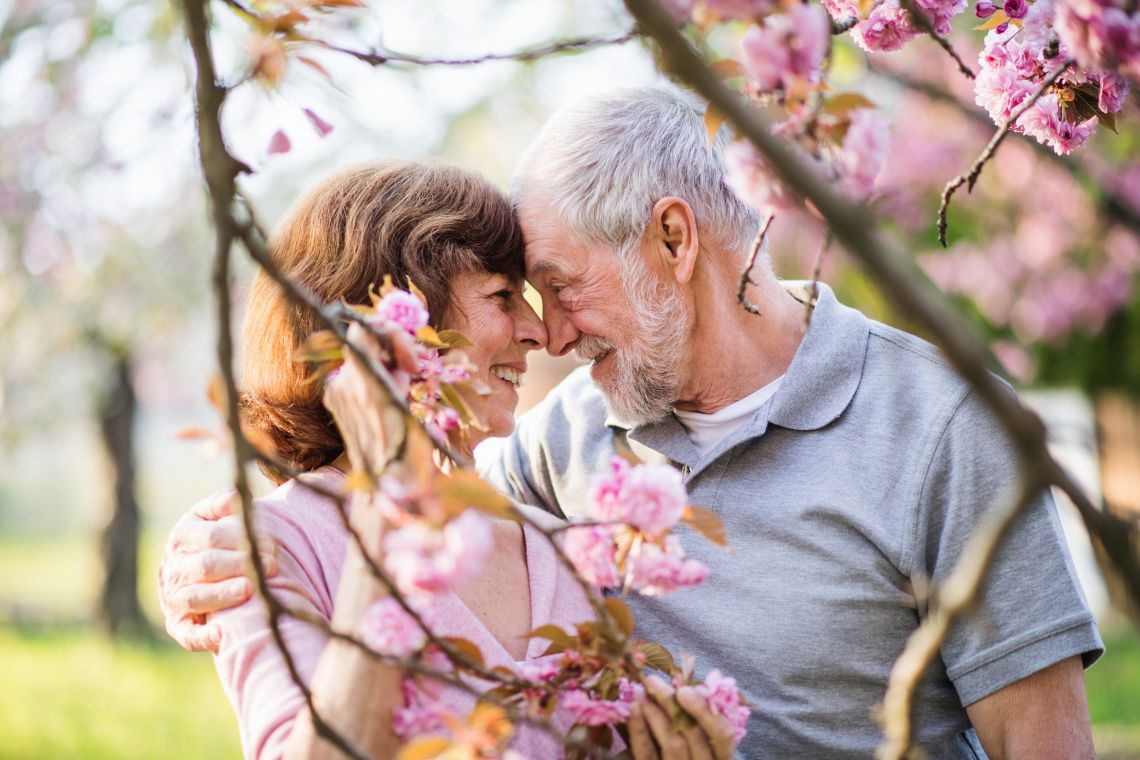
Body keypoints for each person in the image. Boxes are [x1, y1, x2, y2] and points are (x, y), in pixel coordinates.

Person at [160, 88, 1103, 760]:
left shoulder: (940, 423)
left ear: (674, 238)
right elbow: (373, 509)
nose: (553, 335)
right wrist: (204, 560)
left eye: (563, 288)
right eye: (526, 297)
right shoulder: (559, 445)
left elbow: (1040, 742)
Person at [178, 160, 735, 760]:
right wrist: (386, 520)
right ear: (395, 324)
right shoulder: (264, 551)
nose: (538, 333)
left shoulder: (557, 548)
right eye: (502, 296)